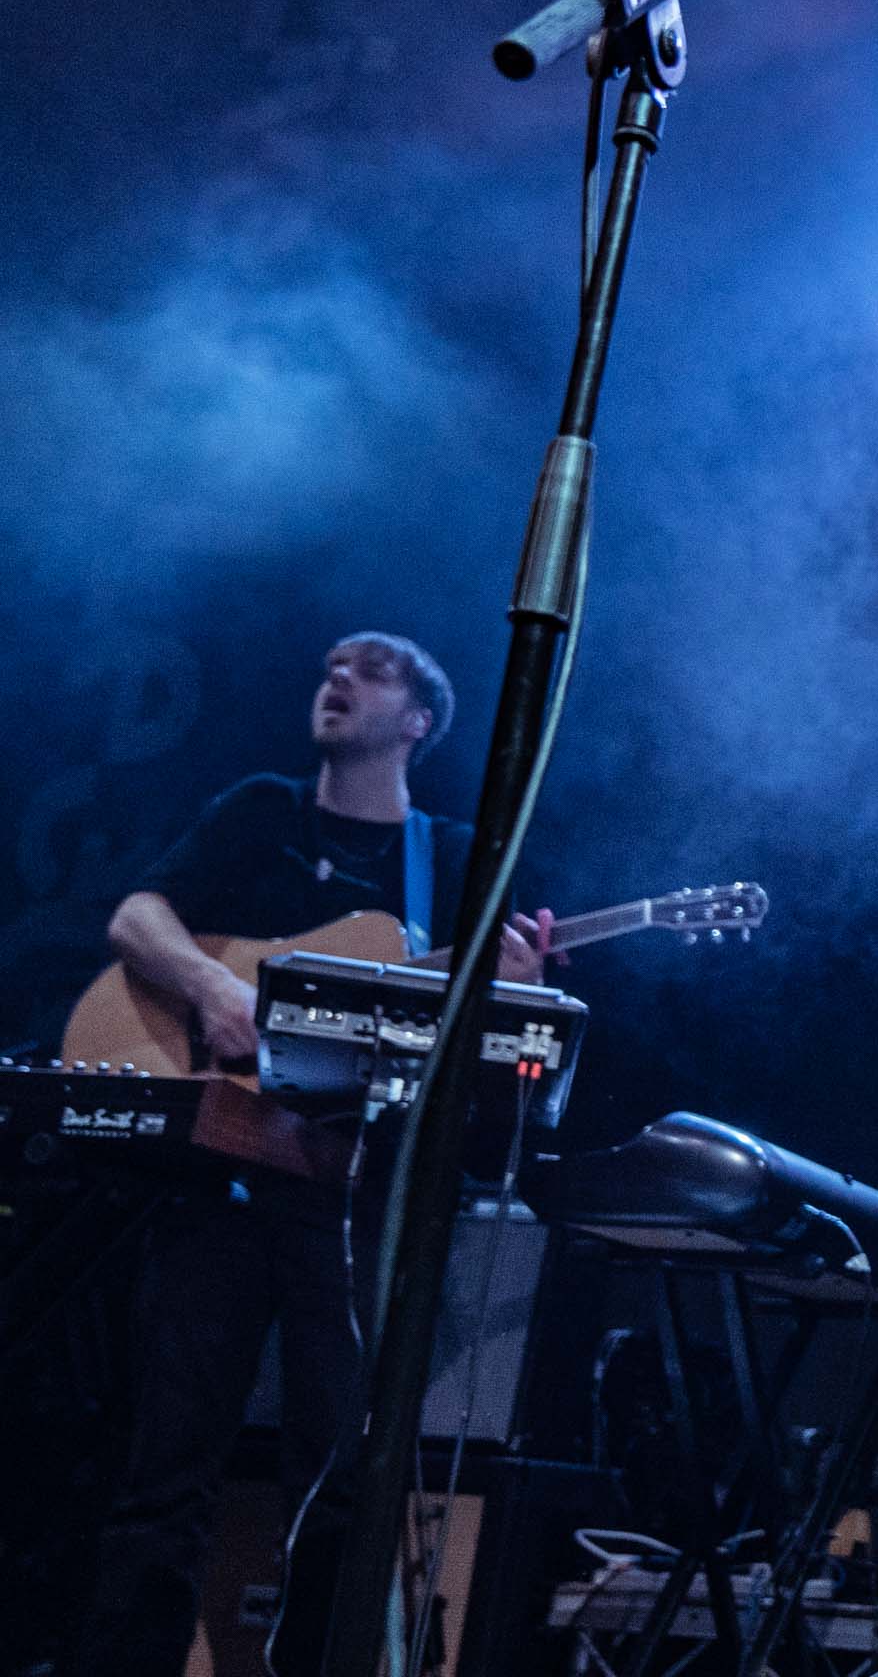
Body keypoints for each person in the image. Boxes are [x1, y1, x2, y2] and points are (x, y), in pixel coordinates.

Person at [77, 632, 544, 1677]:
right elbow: (135, 914)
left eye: (371, 671)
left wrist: (507, 980)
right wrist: (215, 989)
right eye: (331, 665)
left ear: (421, 719)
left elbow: (467, 1045)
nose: (337, 679)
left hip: (353, 1195)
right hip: (225, 1187)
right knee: (165, 1463)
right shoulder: (261, 809)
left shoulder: (454, 857)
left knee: (344, 1476)